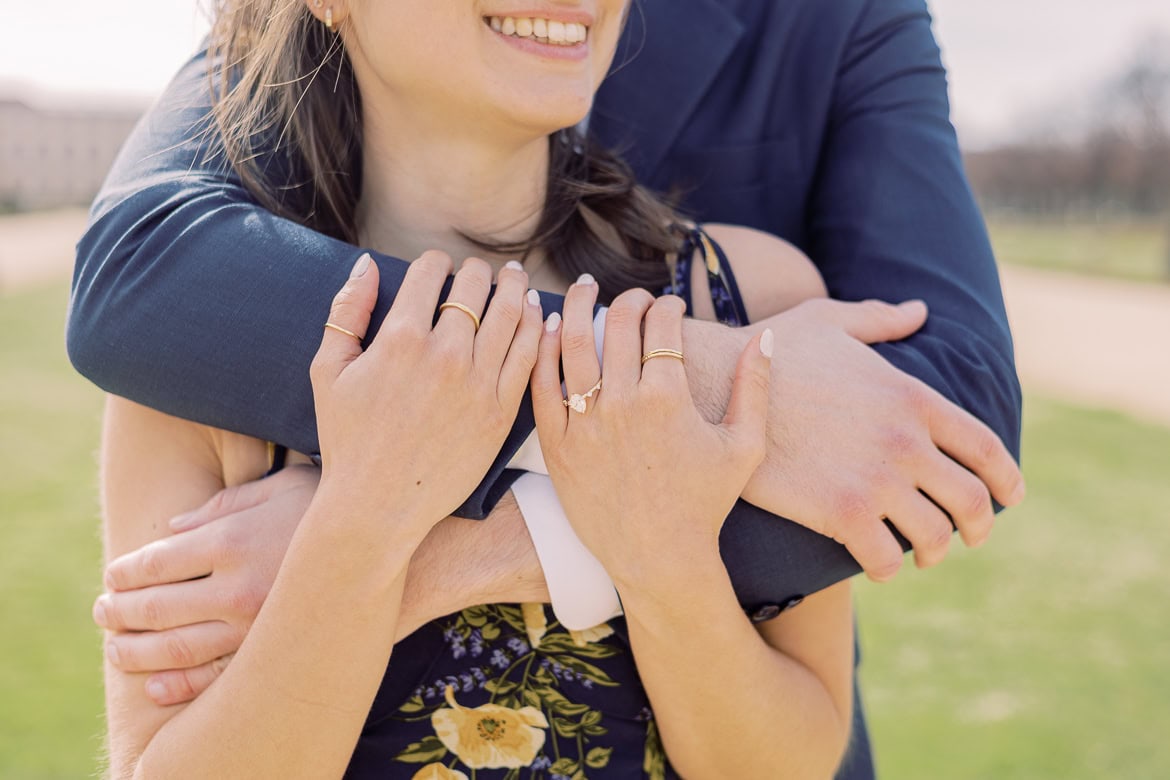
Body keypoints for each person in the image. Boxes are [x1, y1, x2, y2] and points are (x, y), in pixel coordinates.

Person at [76, 0, 1025, 776]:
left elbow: (790, 759)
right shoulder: (203, 349)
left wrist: (658, 554)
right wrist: (360, 531)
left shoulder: (756, 301)